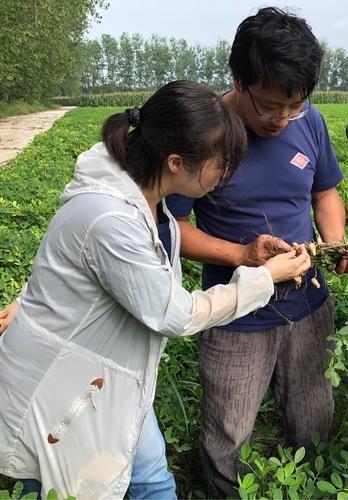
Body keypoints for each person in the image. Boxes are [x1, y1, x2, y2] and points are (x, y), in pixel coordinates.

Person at [0, 80, 311, 499]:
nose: (225, 175)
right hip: (66, 391)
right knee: (72, 487)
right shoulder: (112, 219)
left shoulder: (145, 195)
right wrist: (264, 278)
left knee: (152, 481)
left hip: (112, 377)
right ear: (177, 162)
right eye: (221, 164)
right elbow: (176, 314)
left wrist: (247, 256)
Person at [165, 7, 348, 497]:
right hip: (236, 313)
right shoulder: (206, 136)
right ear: (238, 79)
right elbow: (172, 227)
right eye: (269, 106)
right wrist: (243, 255)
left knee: (312, 414)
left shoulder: (309, 124)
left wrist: (335, 242)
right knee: (229, 430)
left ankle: (309, 487)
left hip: (307, 304)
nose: (282, 119)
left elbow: (325, 191)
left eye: (295, 106)